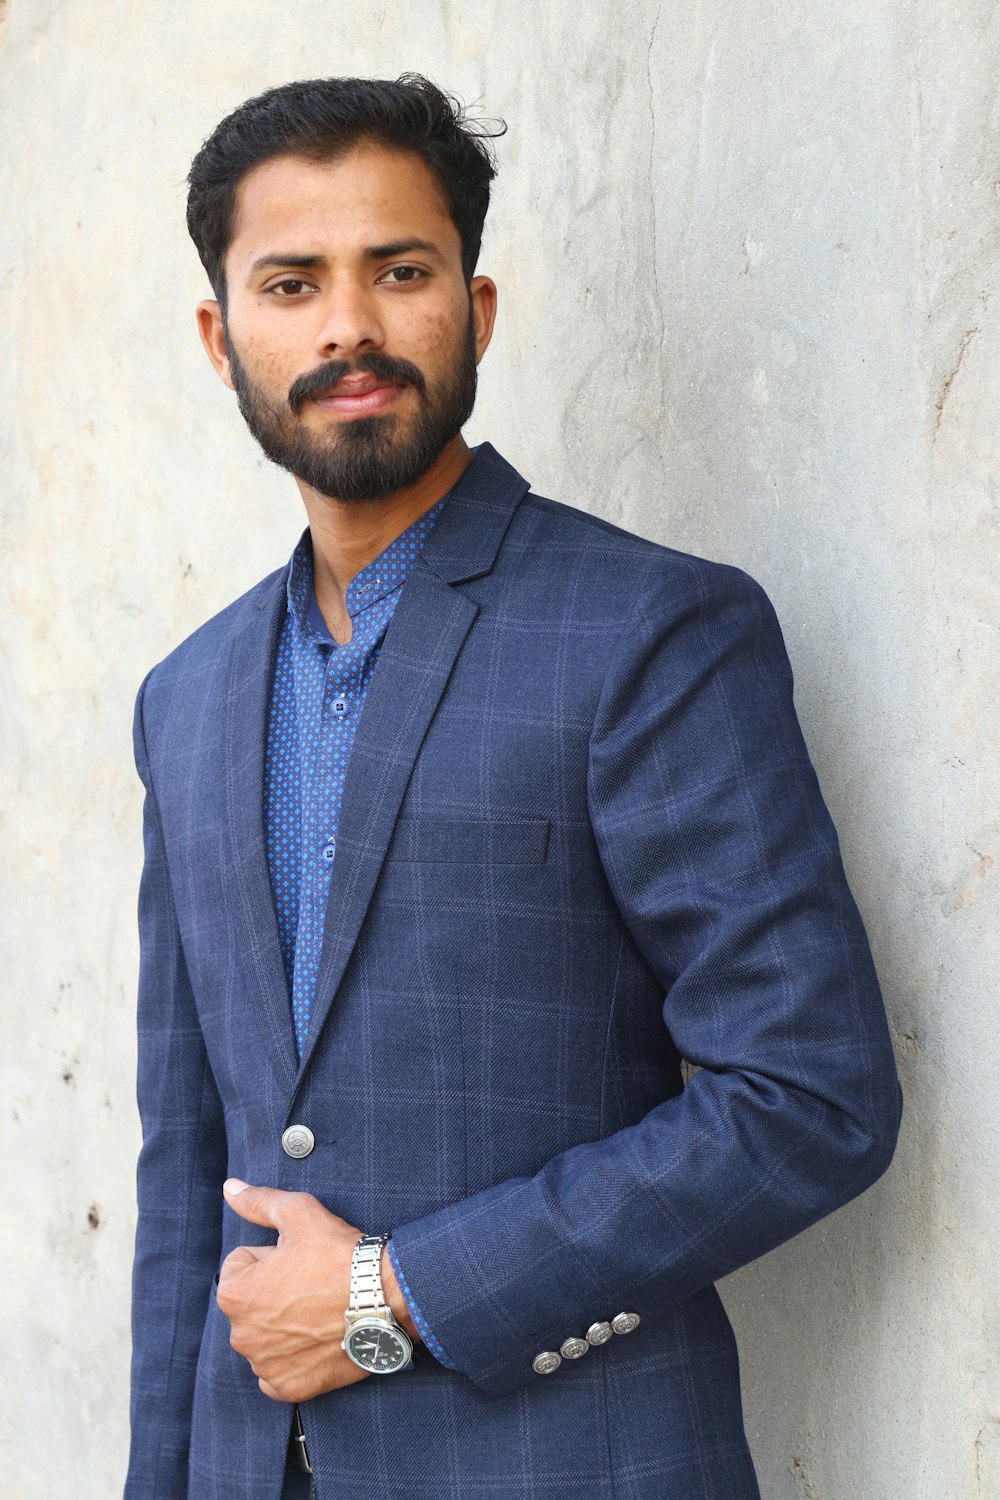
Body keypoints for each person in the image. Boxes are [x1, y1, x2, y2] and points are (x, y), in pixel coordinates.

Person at [125, 73, 902, 1500]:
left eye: (398, 271)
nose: (347, 324)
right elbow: (194, 1175)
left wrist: (394, 1295)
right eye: (290, 283)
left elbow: (808, 1093)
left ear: (474, 309)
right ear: (218, 336)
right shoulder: (186, 698)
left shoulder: (650, 632)